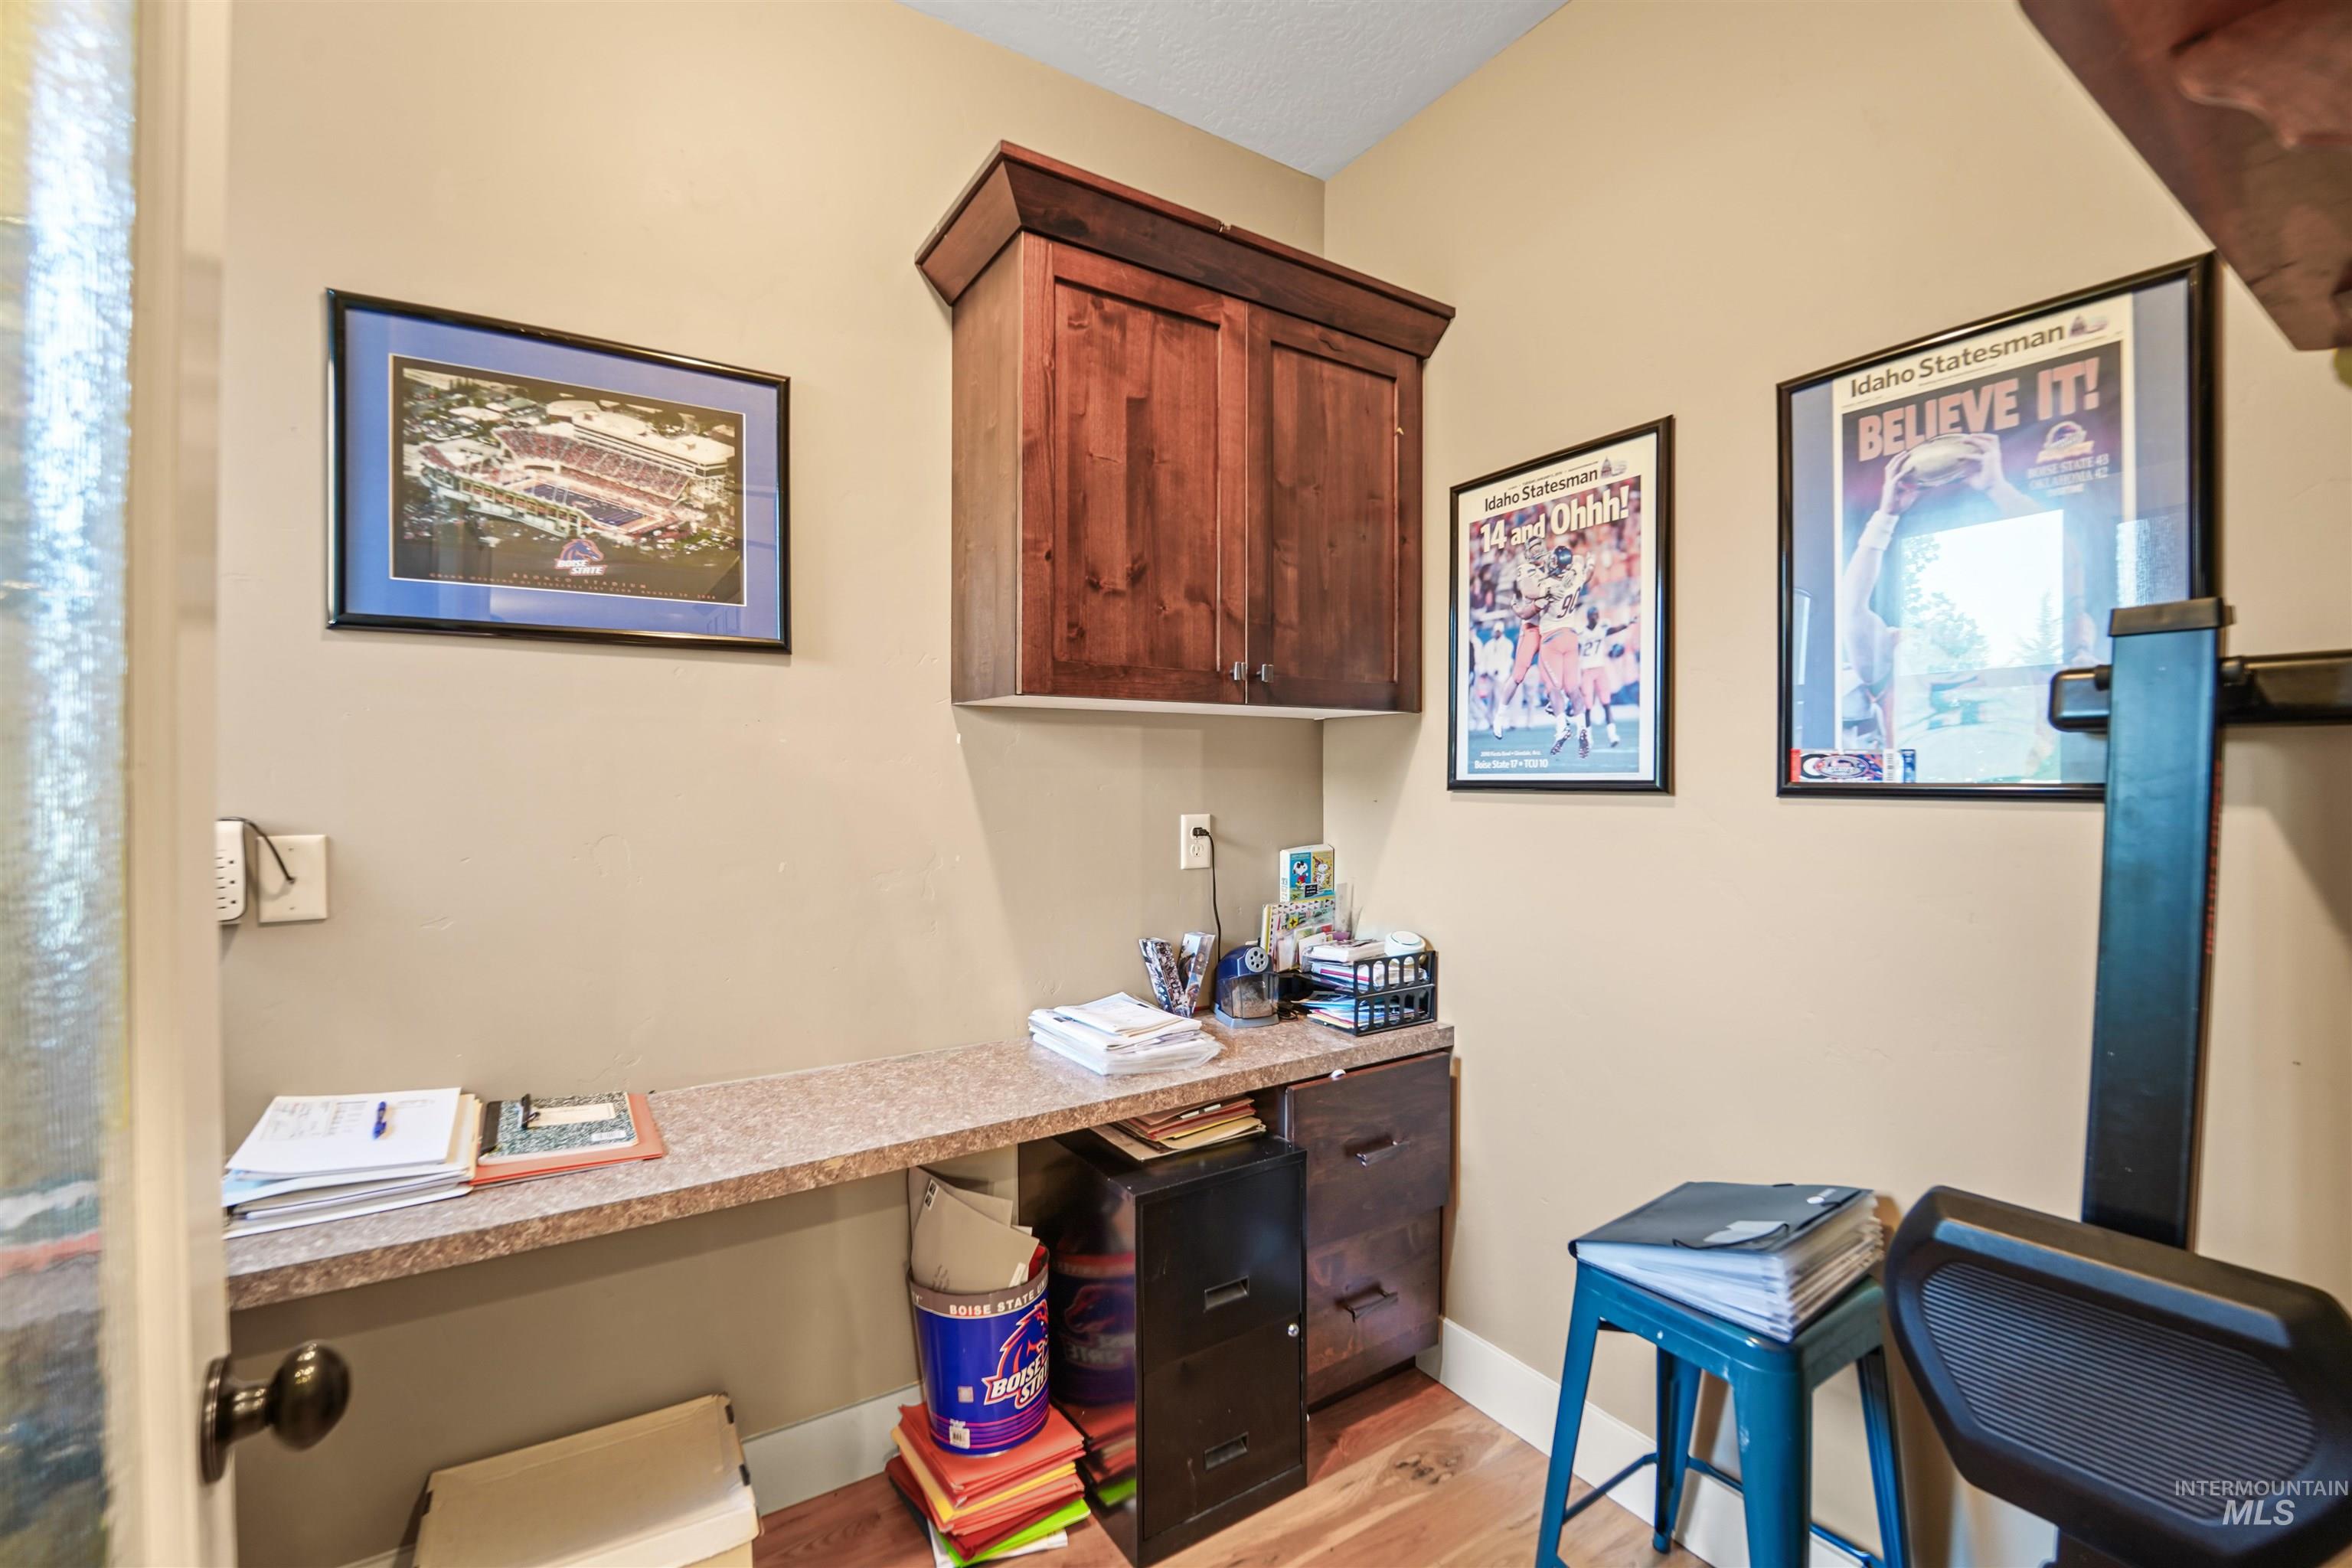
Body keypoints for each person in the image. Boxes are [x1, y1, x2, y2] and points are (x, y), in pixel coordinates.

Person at [1838, 432, 2037, 756]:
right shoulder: (1896, 649)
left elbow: (2058, 558)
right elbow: (1851, 608)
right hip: (1919, 797)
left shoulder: (2018, 641)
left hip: (2015, 792)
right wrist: (1886, 517)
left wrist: (1998, 489)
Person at [1497, 541, 1591, 751]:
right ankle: (1583, 727)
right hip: (1570, 634)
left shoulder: (1549, 589)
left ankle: (1560, 727)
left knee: (1552, 686)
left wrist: (1523, 603)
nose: (1544, 555)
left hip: (1551, 636)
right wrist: (1585, 565)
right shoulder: (1574, 577)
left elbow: (1525, 610)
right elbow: (1580, 563)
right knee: (1572, 687)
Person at [1573, 605, 1633, 755]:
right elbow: (1576, 650)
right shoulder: (1581, 633)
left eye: (1597, 614)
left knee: (1606, 703)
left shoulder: (1602, 629)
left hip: (1600, 669)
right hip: (1586, 670)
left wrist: (1627, 624)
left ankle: (1613, 735)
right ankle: (1588, 738)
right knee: (1588, 706)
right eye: (1593, 615)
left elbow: (1614, 629)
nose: (1596, 617)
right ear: (1588, 617)